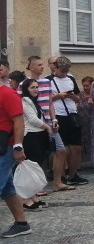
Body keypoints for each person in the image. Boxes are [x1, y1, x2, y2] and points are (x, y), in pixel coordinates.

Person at [26, 56, 72, 192]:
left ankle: (57, 182)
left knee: (61, 150)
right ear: (32, 67)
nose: (42, 67)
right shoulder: (25, 83)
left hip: (49, 122)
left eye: (42, 64)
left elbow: (49, 102)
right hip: (35, 124)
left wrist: (54, 119)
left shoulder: (47, 82)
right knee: (36, 155)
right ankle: (36, 187)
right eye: (39, 64)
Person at [48, 56, 87, 186]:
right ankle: (61, 176)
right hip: (58, 115)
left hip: (72, 114)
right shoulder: (48, 80)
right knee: (61, 149)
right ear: (55, 68)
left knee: (76, 147)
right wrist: (58, 96)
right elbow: (45, 100)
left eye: (66, 70)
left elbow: (78, 98)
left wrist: (72, 96)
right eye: (62, 70)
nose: (64, 73)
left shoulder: (70, 79)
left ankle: (73, 175)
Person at [0, 84, 32, 238]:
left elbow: (19, 121)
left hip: (5, 147)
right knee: (8, 189)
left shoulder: (8, 94)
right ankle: (22, 224)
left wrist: (18, 147)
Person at [19, 79, 52, 211]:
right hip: (31, 136)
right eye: (32, 87)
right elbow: (32, 119)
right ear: (26, 89)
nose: (36, 89)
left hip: (38, 135)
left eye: (37, 87)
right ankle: (26, 199)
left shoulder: (34, 101)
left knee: (35, 168)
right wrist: (47, 127)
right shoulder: (25, 101)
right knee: (30, 169)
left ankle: (32, 196)